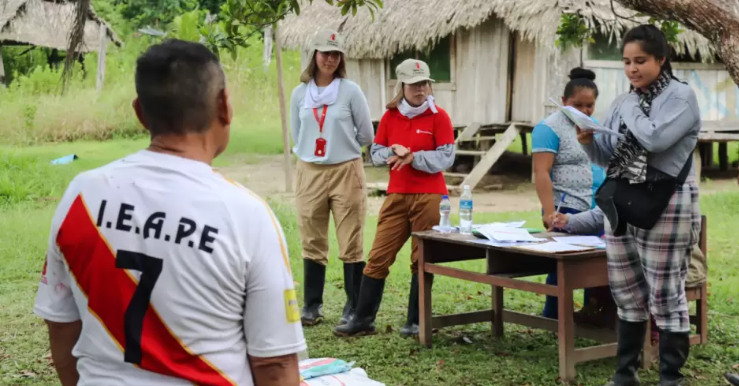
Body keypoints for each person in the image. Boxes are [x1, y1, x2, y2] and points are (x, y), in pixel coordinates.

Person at [33, 40, 305, 386]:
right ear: (224, 106)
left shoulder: (80, 196)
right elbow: (276, 366)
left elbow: (61, 326)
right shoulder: (247, 216)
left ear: (140, 112)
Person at [576, 25, 701, 386]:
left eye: (641, 61)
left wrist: (631, 104)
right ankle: (624, 374)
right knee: (626, 290)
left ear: (661, 59)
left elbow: (654, 138)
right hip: (622, 200)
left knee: (664, 292)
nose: (632, 69)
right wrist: (587, 139)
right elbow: (609, 156)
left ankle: (670, 377)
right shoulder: (624, 99)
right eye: (627, 62)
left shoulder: (680, 97)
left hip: (666, 202)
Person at [334, 59, 455, 337]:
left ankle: (416, 321)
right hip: (397, 195)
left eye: (424, 83)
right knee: (378, 256)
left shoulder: (440, 117)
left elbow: (446, 156)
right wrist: (393, 151)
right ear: (402, 85)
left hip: (430, 196)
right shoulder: (390, 117)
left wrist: (414, 157)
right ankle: (363, 320)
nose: (421, 89)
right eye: (414, 84)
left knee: (421, 258)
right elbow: (374, 154)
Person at [290, 29, 374, 327]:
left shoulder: (350, 91)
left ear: (341, 59)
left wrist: (341, 144)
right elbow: (296, 136)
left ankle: (353, 307)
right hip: (309, 170)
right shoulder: (300, 94)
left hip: (345, 170)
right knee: (311, 237)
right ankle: (312, 306)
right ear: (314, 55)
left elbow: (366, 134)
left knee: (350, 237)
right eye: (325, 52)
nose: (330, 58)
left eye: (335, 54)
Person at [552, 206, 708, 337]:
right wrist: (568, 220)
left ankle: (653, 333)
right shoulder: (621, 183)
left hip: (672, 263)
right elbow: (599, 215)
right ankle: (605, 314)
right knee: (606, 265)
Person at [531, 67, 610, 322]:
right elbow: (541, 172)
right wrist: (548, 210)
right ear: (564, 102)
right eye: (578, 105)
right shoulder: (549, 128)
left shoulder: (595, 126)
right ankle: (554, 317)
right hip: (567, 207)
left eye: (590, 105)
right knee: (562, 266)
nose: (584, 111)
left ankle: (592, 313)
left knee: (595, 264)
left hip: (597, 207)